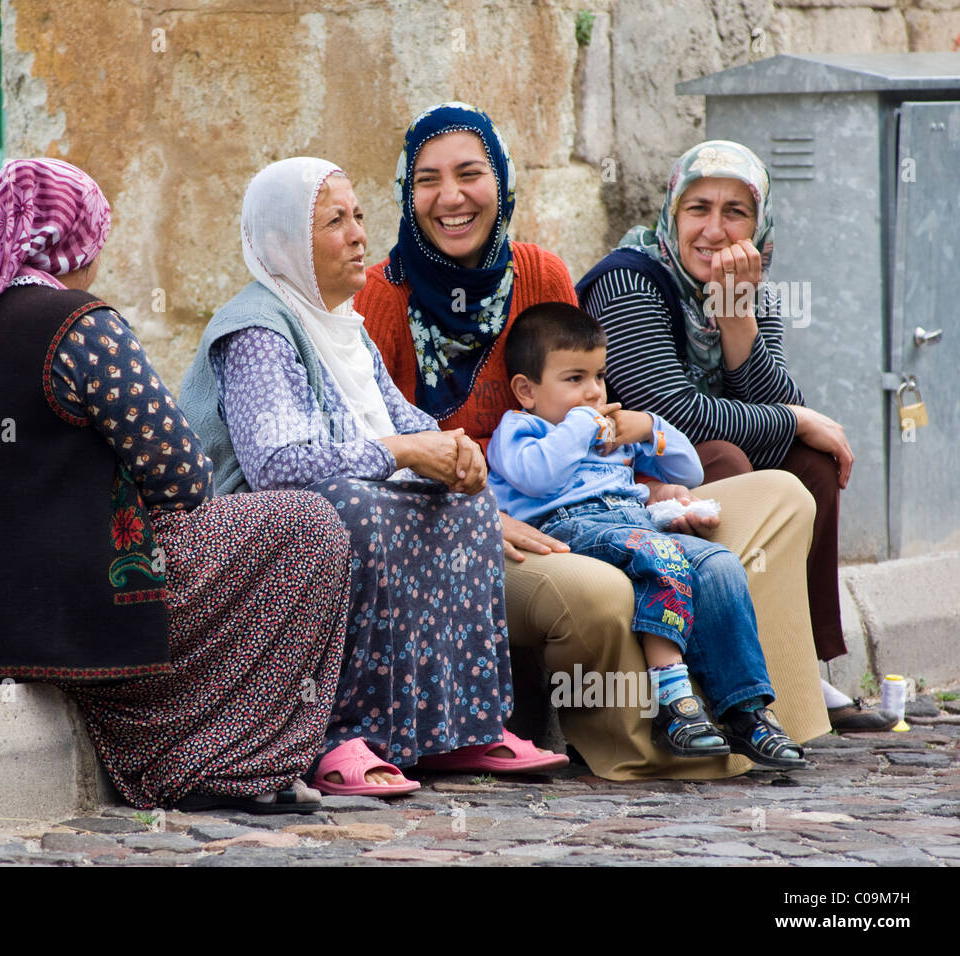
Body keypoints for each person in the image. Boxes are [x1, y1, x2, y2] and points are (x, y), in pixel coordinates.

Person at [356, 102, 828, 780]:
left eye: (469, 174)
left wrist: (646, 460)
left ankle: (758, 715)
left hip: (608, 505)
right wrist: (476, 515)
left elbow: (592, 388)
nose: (451, 197)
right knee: (607, 586)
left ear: (503, 181)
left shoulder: (541, 275)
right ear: (406, 192)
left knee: (781, 494)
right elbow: (371, 455)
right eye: (428, 180)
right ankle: (661, 746)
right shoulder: (382, 298)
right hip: (462, 523)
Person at [0, 158, 354, 815]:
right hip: (63, 614)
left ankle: (179, 749)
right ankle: (231, 763)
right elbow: (185, 475)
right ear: (77, 242)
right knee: (309, 526)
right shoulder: (76, 324)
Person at [179, 156, 569, 798]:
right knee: (359, 510)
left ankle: (461, 729)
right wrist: (409, 452)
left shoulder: (345, 330)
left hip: (323, 505)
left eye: (359, 216)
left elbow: (405, 423)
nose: (360, 234)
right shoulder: (257, 330)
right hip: (251, 538)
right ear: (285, 243)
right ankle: (336, 735)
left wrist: (456, 455)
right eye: (336, 221)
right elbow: (277, 464)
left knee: (464, 505)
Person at [575, 139, 892, 733]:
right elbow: (672, 416)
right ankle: (731, 658)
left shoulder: (750, 283)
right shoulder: (630, 281)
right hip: (623, 478)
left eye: (735, 212)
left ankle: (798, 655)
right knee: (725, 454)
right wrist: (797, 420)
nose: (715, 231)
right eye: (698, 208)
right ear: (672, 213)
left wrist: (736, 318)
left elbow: (777, 409)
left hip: (703, 455)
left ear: (760, 221)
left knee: (811, 464)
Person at [487, 302, 806, 768]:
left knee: (718, 564)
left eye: (598, 376)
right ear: (526, 389)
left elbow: (689, 469)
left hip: (633, 521)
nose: (594, 392)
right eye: (574, 379)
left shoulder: (613, 432)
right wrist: (578, 427)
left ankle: (744, 709)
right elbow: (535, 477)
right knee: (660, 555)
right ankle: (674, 703)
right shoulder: (522, 429)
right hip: (570, 528)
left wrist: (651, 429)